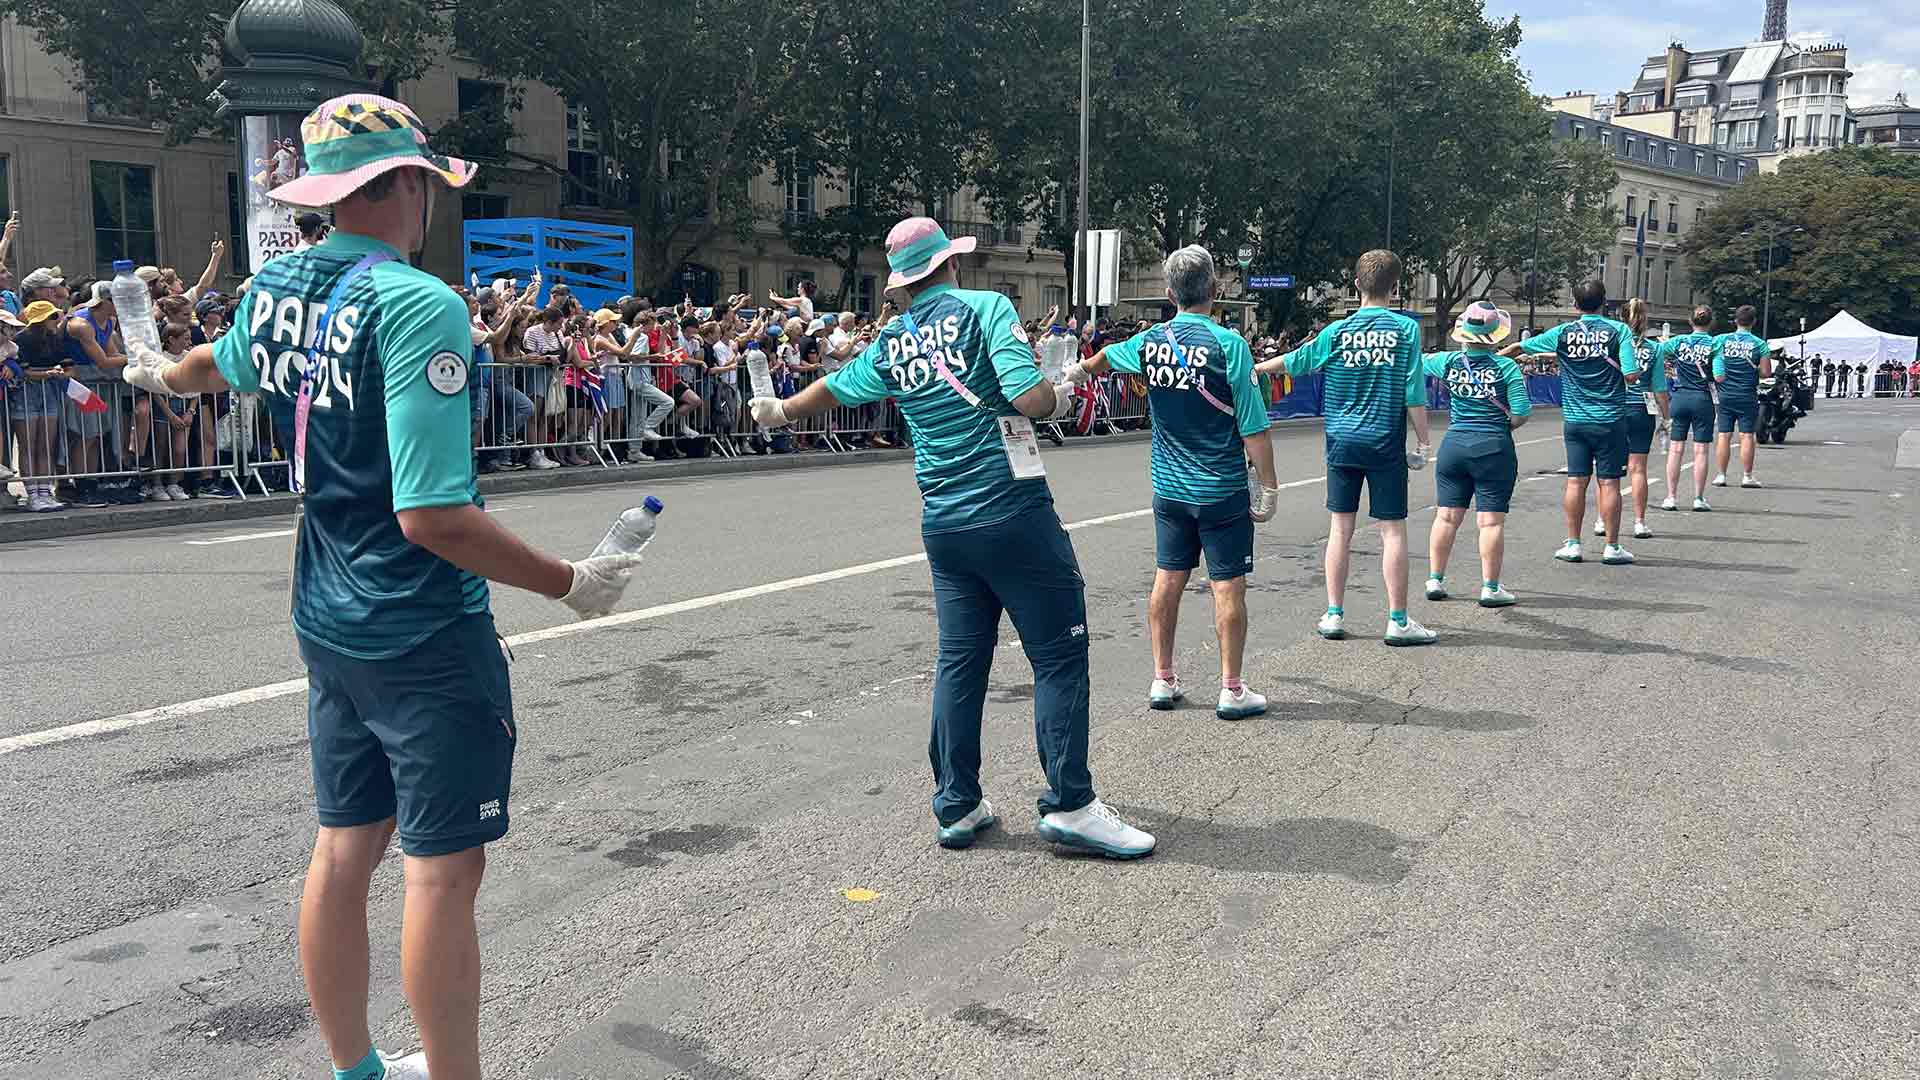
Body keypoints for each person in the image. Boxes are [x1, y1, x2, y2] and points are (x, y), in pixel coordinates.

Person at [120, 92, 646, 1080]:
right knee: (444, 873)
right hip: (420, 626)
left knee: (343, 849)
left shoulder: (278, 288)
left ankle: (357, 1070)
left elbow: (206, 364)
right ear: (409, 186)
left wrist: (156, 374)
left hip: (325, 611)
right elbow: (432, 516)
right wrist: (569, 582)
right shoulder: (417, 302)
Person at [748, 217, 1155, 859]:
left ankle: (958, 805)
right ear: (952, 265)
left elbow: (836, 387)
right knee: (1057, 654)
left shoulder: (893, 338)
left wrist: (780, 410)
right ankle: (1071, 804)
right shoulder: (987, 307)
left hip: (945, 524)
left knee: (961, 661)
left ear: (906, 280)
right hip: (1013, 511)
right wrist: (1060, 388)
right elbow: (1028, 398)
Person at [1066, 245, 1279, 719]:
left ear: (1169, 293)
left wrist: (1076, 372)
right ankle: (1232, 688)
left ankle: (1162, 679)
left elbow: (1102, 359)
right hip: (1220, 488)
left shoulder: (1149, 341)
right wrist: (1270, 487)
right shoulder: (1230, 345)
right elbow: (1253, 428)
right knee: (1227, 586)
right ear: (1216, 290)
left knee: (1168, 578)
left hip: (1169, 487)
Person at [1255, 249, 1435, 645]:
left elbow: (1296, 361)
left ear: (1356, 286)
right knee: (1392, 531)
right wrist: (1423, 440)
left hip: (1341, 440)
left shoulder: (1337, 332)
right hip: (1385, 441)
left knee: (1340, 528)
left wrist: (1259, 368)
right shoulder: (1406, 331)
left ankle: (1334, 613)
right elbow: (1414, 394)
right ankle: (1397, 620)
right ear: (1396, 287)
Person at [1502, 279, 1638, 566]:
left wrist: (1492, 357)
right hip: (1611, 418)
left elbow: (1518, 347)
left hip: (1575, 419)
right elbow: (1630, 374)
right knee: (1609, 483)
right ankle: (1612, 547)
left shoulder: (1563, 332)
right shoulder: (1620, 331)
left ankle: (1573, 544)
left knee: (1576, 481)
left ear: (1575, 305)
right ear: (1604, 303)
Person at [1421, 302, 1531, 607]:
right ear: (1495, 336)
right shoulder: (1506, 367)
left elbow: (1416, 362)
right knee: (1491, 522)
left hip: (1454, 444)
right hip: (1493, 446)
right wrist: (1500, 427)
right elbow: (1522, 412)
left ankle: (1435, 579)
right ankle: (1490, 587)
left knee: (1446, 516)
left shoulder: (1447, 362)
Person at [1595, 298, 1669, 540]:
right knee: (1638, 469)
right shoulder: (1655, 348)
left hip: (1614, 407)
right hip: (1641, 410)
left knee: (1607, 472)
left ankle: (1601, 520)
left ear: (1620, 319)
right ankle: (1639, 522)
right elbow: (1660, 388)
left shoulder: (1613, 344)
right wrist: (1666, 417)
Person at [1657, 307, 1720, 513]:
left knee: (1675, 450)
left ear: (1690, 322)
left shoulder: (1679, 342)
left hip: (1680, 397)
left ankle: (1671, 497)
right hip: (1703, 398)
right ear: (1711, 323)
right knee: (1701, 451)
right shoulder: (1714, 344)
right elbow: (1719, 375)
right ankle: (1698, 498)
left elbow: (1660, 352)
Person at [1709, 304, 1771, 489]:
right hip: (1747, 394)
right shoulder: (1759, 344)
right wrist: (1756, 369)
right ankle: (1747, 476)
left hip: (1724, 394)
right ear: (1754, 322)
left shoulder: (1721, 339)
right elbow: (1766, 373)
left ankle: (1721, 475)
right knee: (1746, 436)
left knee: (1724, 435)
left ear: (1735, 321)